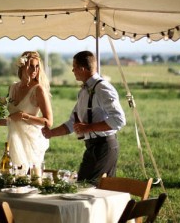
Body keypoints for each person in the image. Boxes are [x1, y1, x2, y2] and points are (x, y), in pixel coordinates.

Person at [42, 50, 126, 183]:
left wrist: (88, 128)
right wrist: (51, 133)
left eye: (74, 67)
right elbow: (72, 123)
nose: (72, 70)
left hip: (105, 146)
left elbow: (119, 119)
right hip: (92, 147)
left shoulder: (102, 88)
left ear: (82, 69)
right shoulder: (83, 91)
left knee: (88, 188)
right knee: (85, 185)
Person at [0, 51, 53, 171]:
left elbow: (48, 122)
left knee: (28, 177)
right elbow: (12, 120)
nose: (35, 70)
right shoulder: (12, 87)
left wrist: (24, 116)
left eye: (37, 66)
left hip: (31, 142)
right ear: (22, 66)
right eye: (31, 66)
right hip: (14, 139)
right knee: (12, 175)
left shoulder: (38, 90)